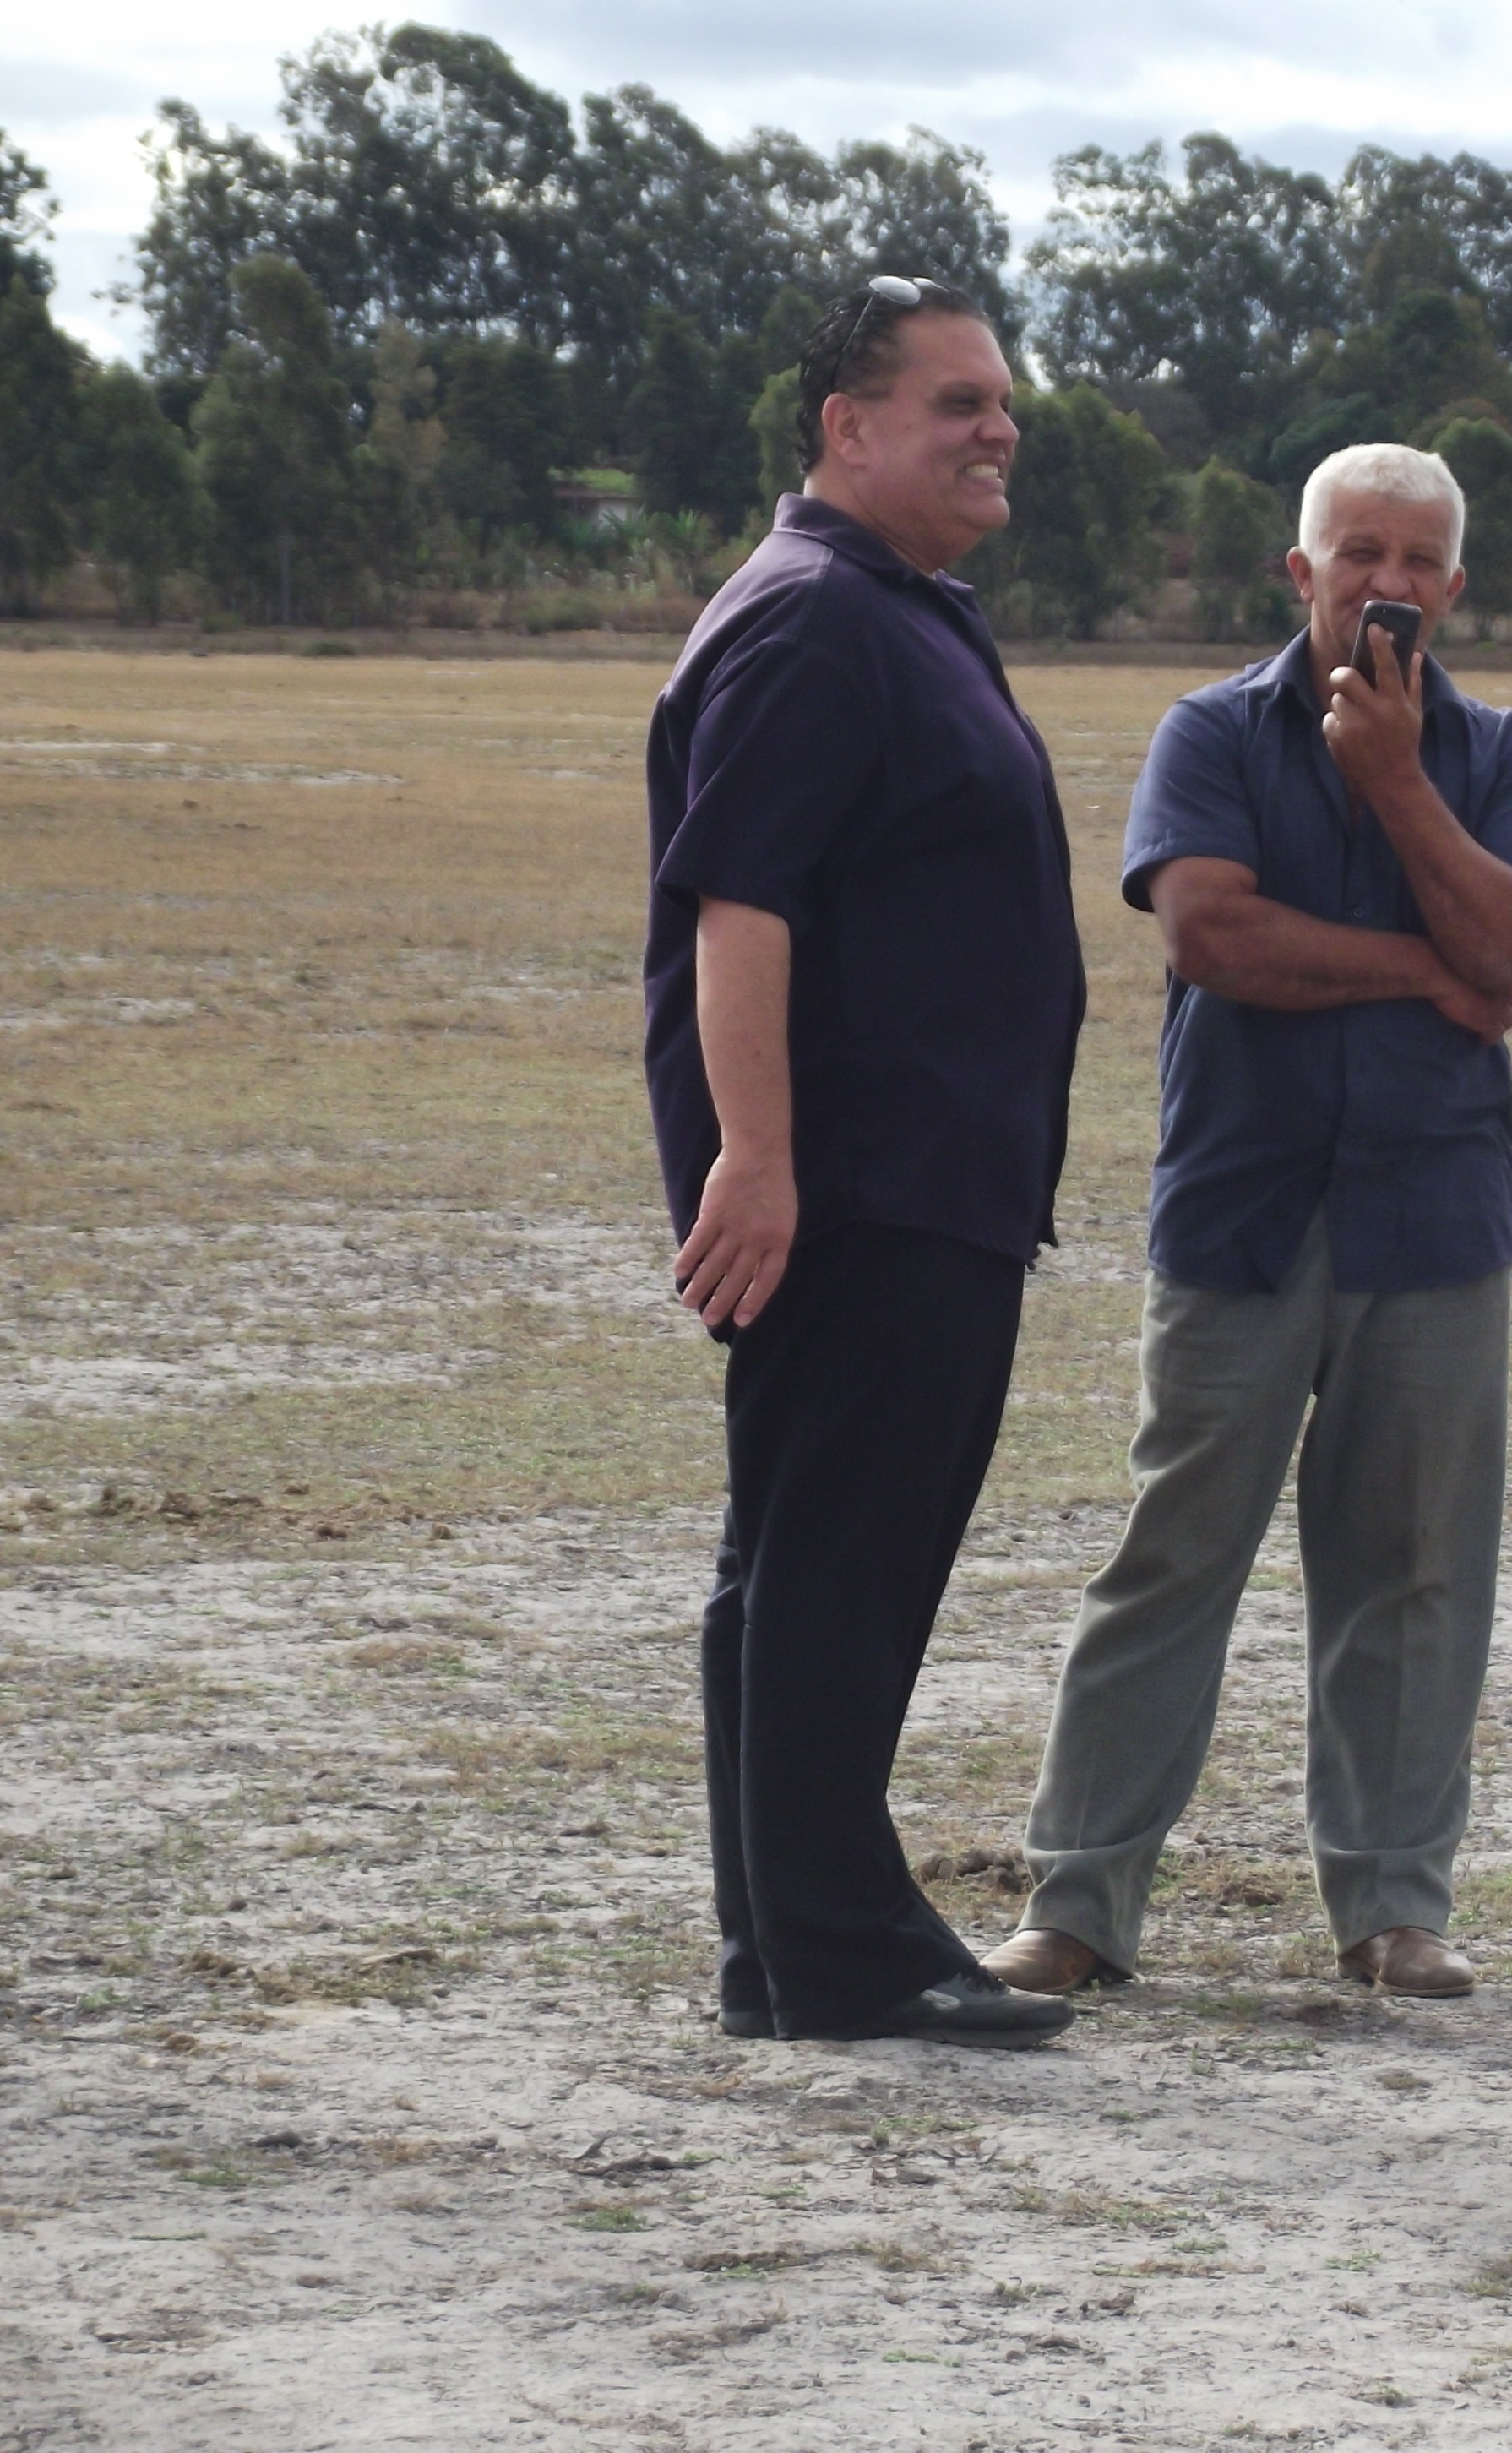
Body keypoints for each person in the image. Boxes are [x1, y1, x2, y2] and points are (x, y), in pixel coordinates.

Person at [982, 443, 1512, 2002]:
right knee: (1174, 1553)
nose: (1389, 582)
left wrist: (1395, 782)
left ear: (1455, 587)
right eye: (1358, 551)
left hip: (1434, 1217)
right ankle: (1081, 1901)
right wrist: (1424, 969)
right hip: (1243, 1211)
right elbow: (1210, 933)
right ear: (1296, 573)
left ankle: (1392, 1908)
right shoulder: (1213, 733)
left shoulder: (1503, 755)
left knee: (1412, 1568)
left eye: (1420, 559)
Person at [642, 276, 1084, 2049]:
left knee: (797, 1564)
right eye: (957, 403)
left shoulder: (904, 609)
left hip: (922, 1177)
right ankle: (839, 1947)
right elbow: (736, 902)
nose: (999, 431)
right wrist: (757, 1157)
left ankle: (785, 1941)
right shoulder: (815, 620)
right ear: (847, 425)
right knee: (841, 1564)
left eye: (1003, 404)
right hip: (861, 1187)